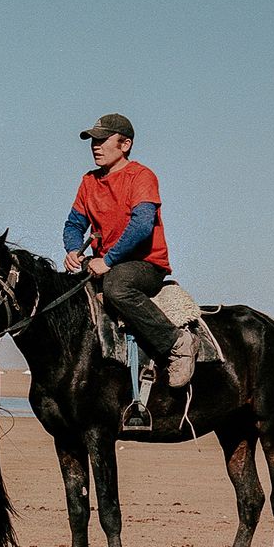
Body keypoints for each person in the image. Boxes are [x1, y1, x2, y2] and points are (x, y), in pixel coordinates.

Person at [62, 113, 195, 387]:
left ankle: (177, 343)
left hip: (145, 265)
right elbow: (74, 224)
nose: (95, 146)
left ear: (125, 145)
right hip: (105, 264)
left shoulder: (141, 176)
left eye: (102, 140)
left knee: (116, 288)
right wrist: (74, 250)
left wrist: (108, 260)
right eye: (92, 141)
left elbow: (142, 225)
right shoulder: (89, 181)